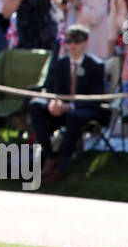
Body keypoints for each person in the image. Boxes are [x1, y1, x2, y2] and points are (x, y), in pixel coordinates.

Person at [29, 24, 108, 183]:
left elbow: (96, 98)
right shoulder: (60, 64)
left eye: (77, 41)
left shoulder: (96, 66)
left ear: (86, 42)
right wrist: (53, 104)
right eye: (69, 41)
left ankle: (62, 165)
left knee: (73, 115)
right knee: (35, 104)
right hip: (61, 108)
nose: (72, 45)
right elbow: (51, 89)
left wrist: (69, 106)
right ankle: (49, 155)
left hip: (84, 110)